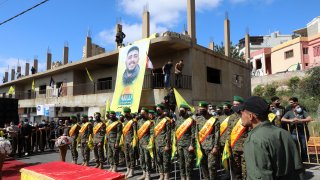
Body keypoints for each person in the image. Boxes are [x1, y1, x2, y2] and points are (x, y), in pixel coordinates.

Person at [241, 96, 304, 180]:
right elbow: (298, 169)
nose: (240, 117)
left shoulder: (254, 140)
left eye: (241, 113)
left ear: (250, 116)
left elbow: (259, 176)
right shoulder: (284, 133)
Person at [281, 97, 312, 162]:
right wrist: (291, 120)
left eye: (299, 107)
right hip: (293, 132)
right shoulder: (289, 112)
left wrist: (299, 120)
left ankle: (304, 161)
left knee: (304, 147)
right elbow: (282, 119)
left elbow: (309, 118)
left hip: (303, 132)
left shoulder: (302, 112)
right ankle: (297, 160)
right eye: (297, 107)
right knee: (296, 146)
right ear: (293, 108)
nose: (298, 108)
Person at [225, 96, 248, 180]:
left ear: (242, 105)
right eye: (234, 104)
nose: (235, 106)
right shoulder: (231, 117)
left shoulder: (246, 115)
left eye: (237, 104)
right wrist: (228, 145)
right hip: (234, 147)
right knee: (236, 169)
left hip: (245, 147)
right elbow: (229, 132)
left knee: (245, 170)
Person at [196, 101, 220, 180]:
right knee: (203, 166)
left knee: (211, 167)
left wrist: (216, 147)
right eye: (200, 109)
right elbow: (196, 133)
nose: (201, 110)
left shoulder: (214, 119)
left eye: (202, 109)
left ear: (206, 109)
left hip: (211, 147)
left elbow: (217, 134)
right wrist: (197, 146)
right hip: (201, 147)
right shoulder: (198, 119)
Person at [174, 104, 196, 180]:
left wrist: (192, 145)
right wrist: (175, 145)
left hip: (188, 145)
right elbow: (176, 133)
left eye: (182, 110)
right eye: (180, 110)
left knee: (188, 163)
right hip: (179, 144)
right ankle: (183, 177)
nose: (181, 111)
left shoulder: (191, 120)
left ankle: (188, 177)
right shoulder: (177, 120)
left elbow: (193, 133)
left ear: (186, 111)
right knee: (181, 162)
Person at [154, 104, 171, 180]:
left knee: (165, 161)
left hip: (164, 144)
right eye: (156, 109)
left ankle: (166, 176)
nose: (157, 110)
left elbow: (168, 133)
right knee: (159, 161)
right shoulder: (156, 119)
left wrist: (167, 145)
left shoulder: (167, 120)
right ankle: (161, 175)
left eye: (159, 109)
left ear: (162, 110)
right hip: (157, 144)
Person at [137, 108, 154, 180]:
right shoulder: (139, 121)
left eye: (143, 113)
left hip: (147, 143)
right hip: (140, 143)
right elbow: (137, 132)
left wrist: (150, 143)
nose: (142, 114)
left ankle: (148, 175)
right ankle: (144, 173)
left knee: (147, 160)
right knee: (142, 159)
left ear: (147, 113)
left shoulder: (150, 122)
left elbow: (152, 134)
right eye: (141, 113)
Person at [122, 107, 137, 178]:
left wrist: (133, 141)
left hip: (130, 141)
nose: (125, 114)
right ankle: (128, 169)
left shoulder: (133, 121)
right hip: (125, 141)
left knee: (131, 156)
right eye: (124, 113)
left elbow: (135, 132)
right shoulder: (124, 120)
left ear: (129, 113)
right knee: (126, 156)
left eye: (126, 113)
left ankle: (132, 170)